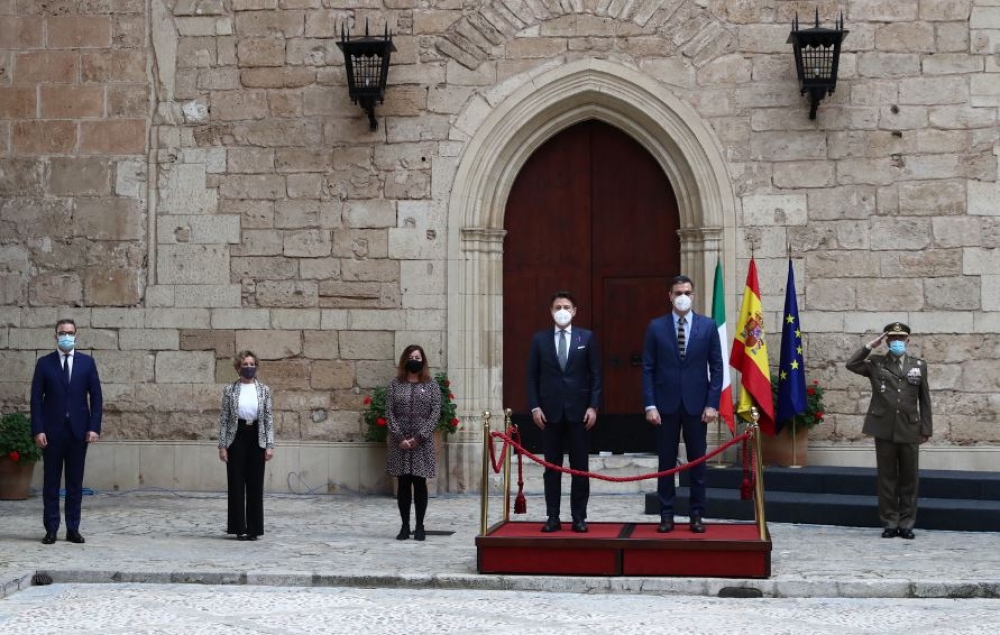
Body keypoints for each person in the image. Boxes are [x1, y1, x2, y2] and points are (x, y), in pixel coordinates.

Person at [642, 275, 722, 534]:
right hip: (665, 406)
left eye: (687, 292)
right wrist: (650, 405)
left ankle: (696, 514)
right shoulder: (656, 327)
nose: (683, 297)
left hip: (697, 406)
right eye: (678, 292)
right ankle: (666, 514)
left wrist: (712, 404)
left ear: (693, 295)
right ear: (670, 296)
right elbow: (648, 368)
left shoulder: (707, 326)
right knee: (666, 463)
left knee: (697, 463)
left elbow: (717, 367)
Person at [846, 322, 932, 540]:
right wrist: (869, 346)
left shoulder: (918, 365)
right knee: (887, 478)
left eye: (901, 338)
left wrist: (926, 429)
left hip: (910, 427)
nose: (897, 342)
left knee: (909, 478)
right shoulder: (876, 363)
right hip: (884, 427)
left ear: (907, 340)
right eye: (892, 338)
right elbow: (851, 364)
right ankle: (890, 522)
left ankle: (907, 523)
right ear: (886, 341)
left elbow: (925, 399)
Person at [526, 291, 602, 533]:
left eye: (566, 307)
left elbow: (596, 375)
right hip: (550, 413)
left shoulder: (586, 337)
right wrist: (535, 406)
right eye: (558, 307)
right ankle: (553, 516)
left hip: (579, 413)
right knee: (552, 468)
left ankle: (579, 517)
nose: (562, 311)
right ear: (551, 311)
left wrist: (593, 406)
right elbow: (532, 377)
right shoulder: (540, 340)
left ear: (574, 311)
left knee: (580, 468)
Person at [31, 319, 103, 545]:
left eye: (70, 332)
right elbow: (36, 400)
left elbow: (96, 397)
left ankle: (73, 529)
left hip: (78, 432)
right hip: (52, 433)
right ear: (55, 335)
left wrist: (94, 427)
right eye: (62, 332)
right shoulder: (44, 364)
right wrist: (38, 429)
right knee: (51, 484)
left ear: (76, 335)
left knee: (74, 484)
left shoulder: (87, 363)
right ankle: (51, 529)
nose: (66, 336)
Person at [386, 344, 441, 541]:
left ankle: (419, 526)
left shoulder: (431, 385)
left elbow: (435, 412)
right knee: (403, 484)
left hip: (421, 443)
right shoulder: (395, 385)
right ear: (405, 360)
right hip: (400, 443)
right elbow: (389, 412)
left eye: (418, 358)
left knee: (419, 483)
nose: (414, 361)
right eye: (411, 358)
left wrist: (419, 437)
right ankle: (404, 526)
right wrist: (399, 437)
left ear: (423, 361)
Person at [218, 350, 275, 541]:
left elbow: (268, 419)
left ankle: (254, 529)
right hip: (236, 436)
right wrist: (222, 446)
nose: (249, 367)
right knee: (236, 483)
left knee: (255, 484)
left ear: (256, 366)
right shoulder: (230, 390)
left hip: (257, 436)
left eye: (252, 364)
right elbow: (224, 419)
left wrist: (269, 445)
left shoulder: (264, 390)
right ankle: (238, 527)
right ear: (238, 367)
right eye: (245, 364)